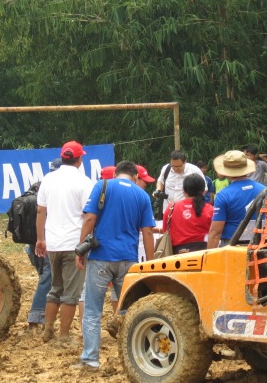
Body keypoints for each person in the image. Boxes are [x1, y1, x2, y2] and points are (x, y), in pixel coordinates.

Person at [75, 161, 156, 370]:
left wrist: (81, 248)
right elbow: (148, 232)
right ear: (135, 177)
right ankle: (138, 359)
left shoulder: (103, 186)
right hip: (128, 259)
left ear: (116, 173)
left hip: (101, 257)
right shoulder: (142, 195)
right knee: (133, 311)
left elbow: (90, 217)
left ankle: (90, 359)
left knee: (93, 310)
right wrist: (150, 262)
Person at [35, 141, 94, 343]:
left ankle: (48, 330)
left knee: (55, 288)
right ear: (79, 159)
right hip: (73, 243)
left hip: (53, 242)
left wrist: (40, 239)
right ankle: (64, 335)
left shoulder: (48, 179)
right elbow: (88, 215)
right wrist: (82, 245)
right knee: (71, 293)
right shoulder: (84, 182)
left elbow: (40, 211)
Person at [23, 158, 61, 330]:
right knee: (48, 280)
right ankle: (36, 317)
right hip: (47, 242)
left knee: (47, 280)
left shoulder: (39, 185)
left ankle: (44, 318)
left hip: (33, 243)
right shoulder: (57, 188)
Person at [208, 150, 265, 248]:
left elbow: (216, 232)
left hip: (232, 246)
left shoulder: (223, 195)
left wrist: (209, 255)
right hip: (259, 245)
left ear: (226, 172)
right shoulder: (264, 190)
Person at [163, 173, 213, 253]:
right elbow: (215, 233)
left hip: (177, 255)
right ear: (204, 191)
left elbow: (165, 231)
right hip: (203, 254)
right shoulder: (210, 210)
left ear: (184, 190)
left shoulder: (171, 208)